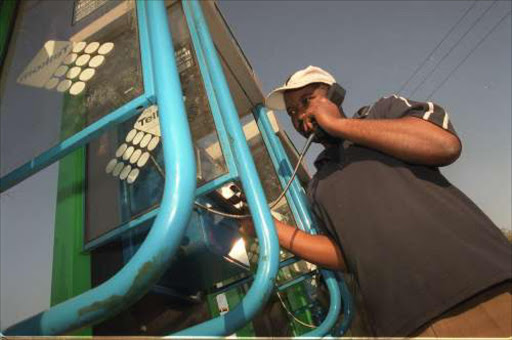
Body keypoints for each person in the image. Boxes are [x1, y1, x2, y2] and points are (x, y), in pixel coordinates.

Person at [242, 66, 512, 337]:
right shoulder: (317, 186)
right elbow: (345, 255)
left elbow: (444, 144)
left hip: (482, 290)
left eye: (306, 100)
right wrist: (272, 229)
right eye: (291, 112)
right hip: (404, 326)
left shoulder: (384, 112)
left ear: (334, 95)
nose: (300, 115)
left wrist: (340, 125)